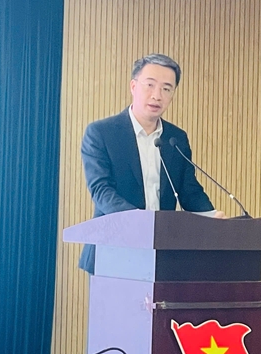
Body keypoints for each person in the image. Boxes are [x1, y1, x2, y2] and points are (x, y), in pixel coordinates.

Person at [79, 53, 224, 274]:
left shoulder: (176, 138)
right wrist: (140, 221)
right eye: (150, 85)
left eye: (166, 89)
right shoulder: (101, 133)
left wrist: (211, 218)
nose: (157, 95)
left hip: (163, 253)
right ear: (133, 86)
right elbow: (101, 191)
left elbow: (188, 190)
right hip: (113, 251)